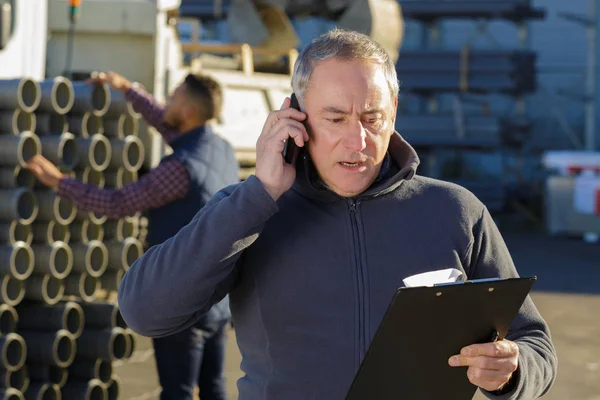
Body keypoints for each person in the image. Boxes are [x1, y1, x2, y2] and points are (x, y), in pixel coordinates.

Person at [117, 29, 558, 400]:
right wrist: (259, 195)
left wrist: (513, 371)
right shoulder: (249, 210)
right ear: (296, 116)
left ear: (394, 114)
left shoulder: (456, 211)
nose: (357, 141)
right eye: (335, 118)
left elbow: (535, 344)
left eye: (372, 117)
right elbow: (144, 311)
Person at [27, 72, 239, 400]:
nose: (166, 100)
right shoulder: (219, 149)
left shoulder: (179, 168)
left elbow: (118, 203)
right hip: (218, 300)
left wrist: (59, 182)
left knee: (177, 392)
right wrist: (127, 88)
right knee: (214, 389)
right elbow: (166, 122)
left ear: (189, 112)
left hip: (183, 301)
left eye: (174, 97)